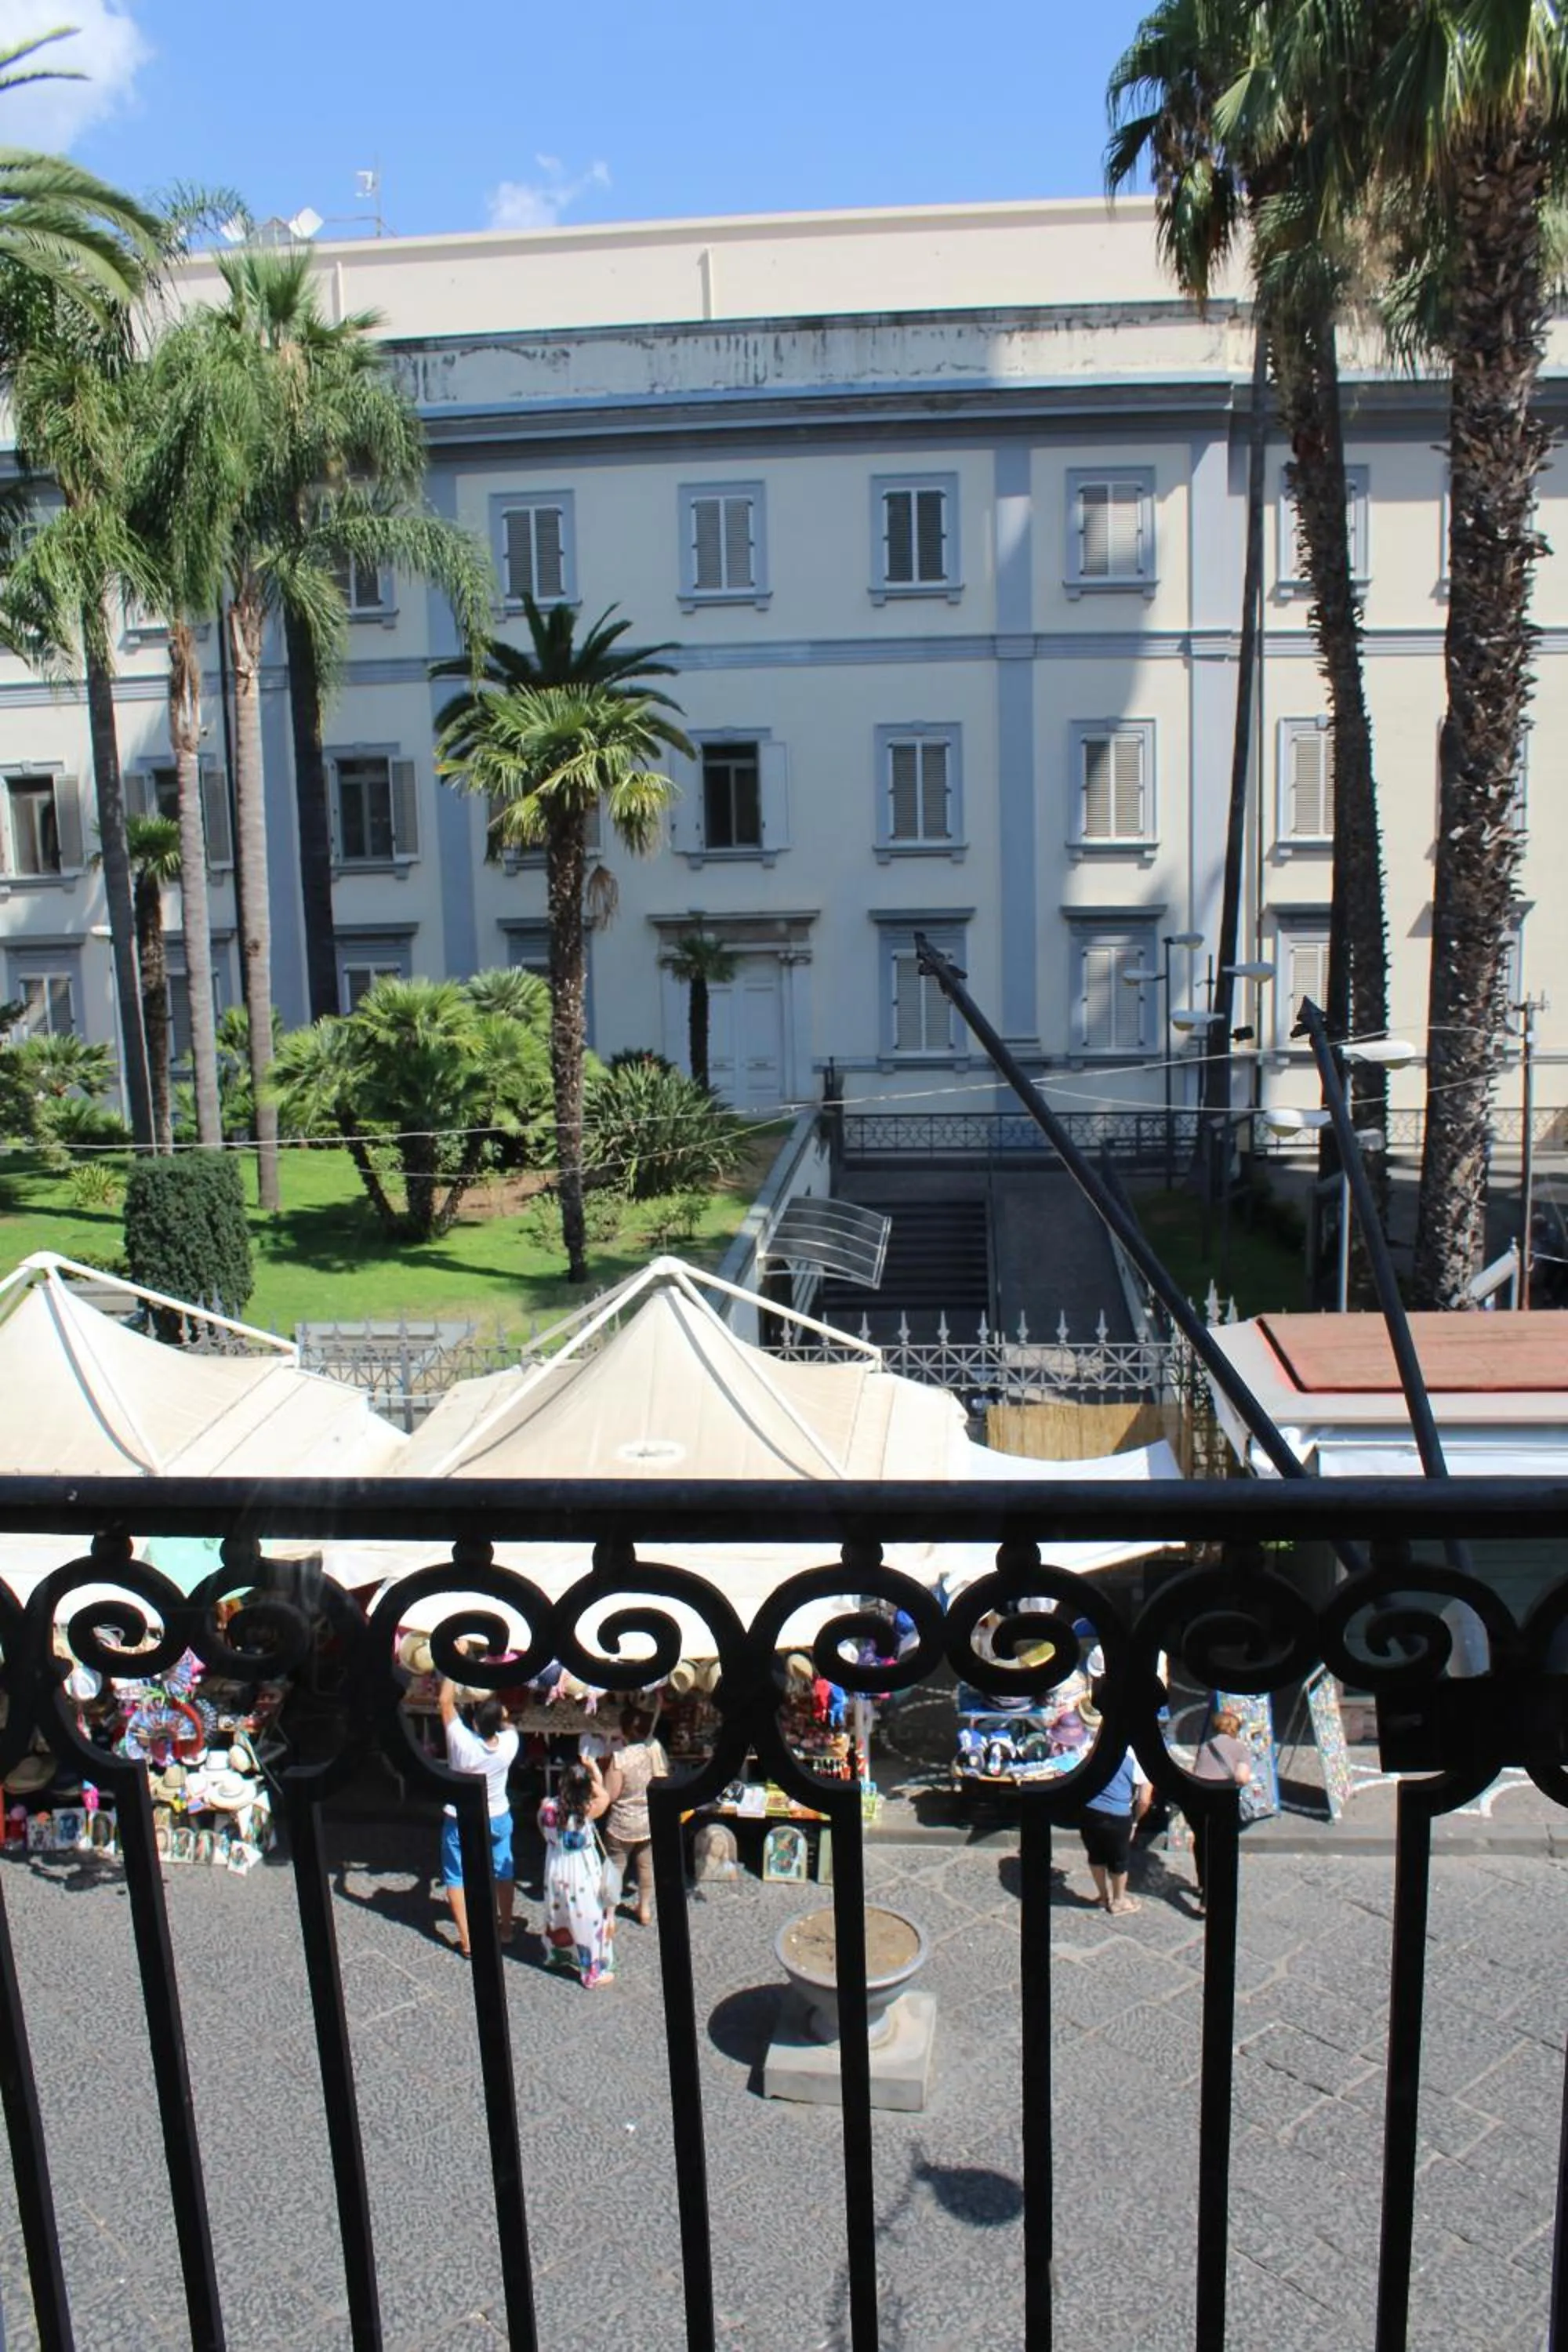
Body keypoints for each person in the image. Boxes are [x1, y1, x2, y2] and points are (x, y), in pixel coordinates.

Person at [437, 1675, 520, 1958]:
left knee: (455, 1875)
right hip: (497, 1814)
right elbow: (507, 1723)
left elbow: (444, 1702)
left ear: (473, 1723)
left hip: (460, 1815)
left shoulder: (462, 1742)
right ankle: (506, 1928)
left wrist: (452, 1667)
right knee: (503, 1870)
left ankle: (468, 1940)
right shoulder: (509, 1743)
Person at [539, 1757, 615, 1986]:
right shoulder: (587, 1809)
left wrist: (572, 1781)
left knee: (559, 1913)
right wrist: (590, 1771)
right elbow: (605, 1796)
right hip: (581, 1871)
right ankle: (592, 1972)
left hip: (556, 1867)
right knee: (588, 1918)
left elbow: (543, 1831)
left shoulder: (547, 1807)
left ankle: (558, 1954)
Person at [600, 1706, 669, 1926]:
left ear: (624, 1730)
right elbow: (663, 1779)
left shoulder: (620, 1759)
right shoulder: (655, 1750)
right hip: (648, 1819)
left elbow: (610, 1795)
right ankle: (645, 1909)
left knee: (615, 1867)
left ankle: (610, 1915)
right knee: (646, 1866)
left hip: (622, 1822)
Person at [1188, 1708, 1253, 1913]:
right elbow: (1242, 1778)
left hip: (1198, 1800)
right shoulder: (1241, 1749)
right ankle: (1207, 1900)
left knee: (1201, 1841)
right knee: (1217, 1849)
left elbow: (1197, 1771)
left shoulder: (1205, 1746)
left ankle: (1202, 1882)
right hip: (1221, 1801)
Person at [1077, 1745, 1152, 1916]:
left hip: (1089, 1810)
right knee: (1119, 1860)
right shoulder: (1140, 1756)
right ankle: (1119, 1901)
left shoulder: (1091, 1747)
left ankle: (1103, 1897)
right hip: (1118, 1815)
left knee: (1095, 1855)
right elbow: (1144, 1800)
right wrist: (1135, 1822)